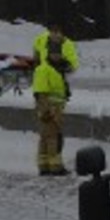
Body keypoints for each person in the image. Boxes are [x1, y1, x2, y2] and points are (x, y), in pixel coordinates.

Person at [31, 22, 79, 176]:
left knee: (46, 136)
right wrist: (45, 109)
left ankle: (44, 166)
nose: (56, 55)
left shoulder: (56, 69)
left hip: (55, 106)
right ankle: (55, 167)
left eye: (58, 53)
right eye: (54, 53)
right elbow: (40, 91)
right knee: (53, 137)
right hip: (50, 107)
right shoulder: (44, 69)